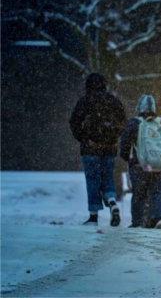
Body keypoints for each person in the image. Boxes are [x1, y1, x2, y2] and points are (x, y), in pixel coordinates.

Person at [69, 73, 126, 227]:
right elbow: (123, 122)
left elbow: (74, 122)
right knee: (108, 178)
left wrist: (83, 138)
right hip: (109, 149)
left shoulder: (85, 101)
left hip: (90, 149)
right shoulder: (113, 101)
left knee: (92, 181)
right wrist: (113, 138)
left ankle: (93, 217)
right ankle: (113, 203)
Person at [120, 94, 161, 229]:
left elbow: (124, 146)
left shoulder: (134, 123)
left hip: (140, 165)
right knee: (157, 192)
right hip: (160, 165)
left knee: (139, 193)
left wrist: (128, 159)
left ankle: (137, 222)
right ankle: (158, 219)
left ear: (140, 107)